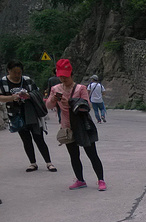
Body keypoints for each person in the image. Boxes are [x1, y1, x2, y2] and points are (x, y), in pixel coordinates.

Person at [46, 59, 107, 191]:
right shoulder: (55, 89)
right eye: (60, 75)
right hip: (67, 126)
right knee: (74, 155)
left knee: (92, 154)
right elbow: (49, 106)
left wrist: (69, 102)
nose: (63, 78)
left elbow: (87, 105)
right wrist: (53, 99)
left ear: (71, 74)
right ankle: (80, 180)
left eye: (65, 75)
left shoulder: (81, 88)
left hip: (83, 126)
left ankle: (101, 180)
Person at [0, 60, 57, 172]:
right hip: (16, 114)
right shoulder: (3, 82)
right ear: (9, 71)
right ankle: (32, 163)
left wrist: (28, 95)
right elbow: (1, 97)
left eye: (19, 72)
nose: (17, 75)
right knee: (26, 139)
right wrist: (12, 98)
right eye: (14, 72)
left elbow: (37, 93)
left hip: (32, 113)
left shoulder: (27, 80)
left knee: (39, 137)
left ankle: (49, 162)